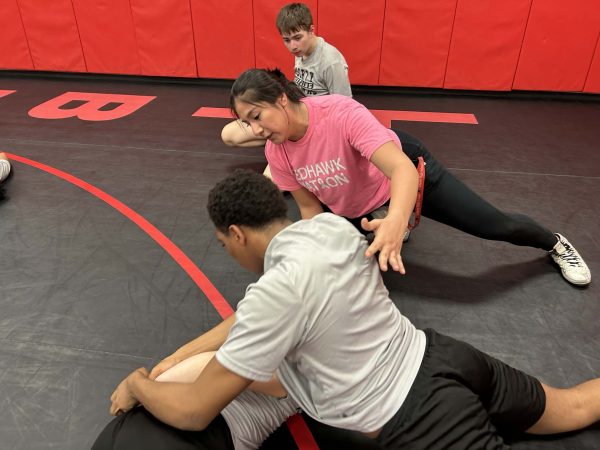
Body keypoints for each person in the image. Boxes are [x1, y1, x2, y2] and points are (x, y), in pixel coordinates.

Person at [108, 170, 600, 449]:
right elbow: (248, 322)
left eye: (223, 244)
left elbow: (194, 412)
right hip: (443, 357)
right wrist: (178, 356)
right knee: (575, 405)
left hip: (420, 420)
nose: (228, 253)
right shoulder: (332, 230)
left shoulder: (274, 294)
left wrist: (139, 383)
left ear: (236, 234)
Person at [227, 68, 591, 286]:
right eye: (247, 122)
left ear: (280, 99)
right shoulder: (276, 150)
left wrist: (397, 219)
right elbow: (311, 212)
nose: (255, 129)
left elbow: (401, 170)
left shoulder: (339, 114)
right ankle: (390, 222)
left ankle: (555, 244)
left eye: (257, 116)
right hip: (359, 208)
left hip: (408, 173)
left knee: (495, 225)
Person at [221, 3, 351, 154]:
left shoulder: (330, 60)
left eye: (297, 38)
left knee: (271, 176)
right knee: (229, 135)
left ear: (311, 30)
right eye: (287, 40)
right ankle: (282, 141)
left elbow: (345, 107)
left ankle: (291, 144)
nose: (293, 46)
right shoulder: (301, 52)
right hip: (292, 112)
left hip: (314, 124)